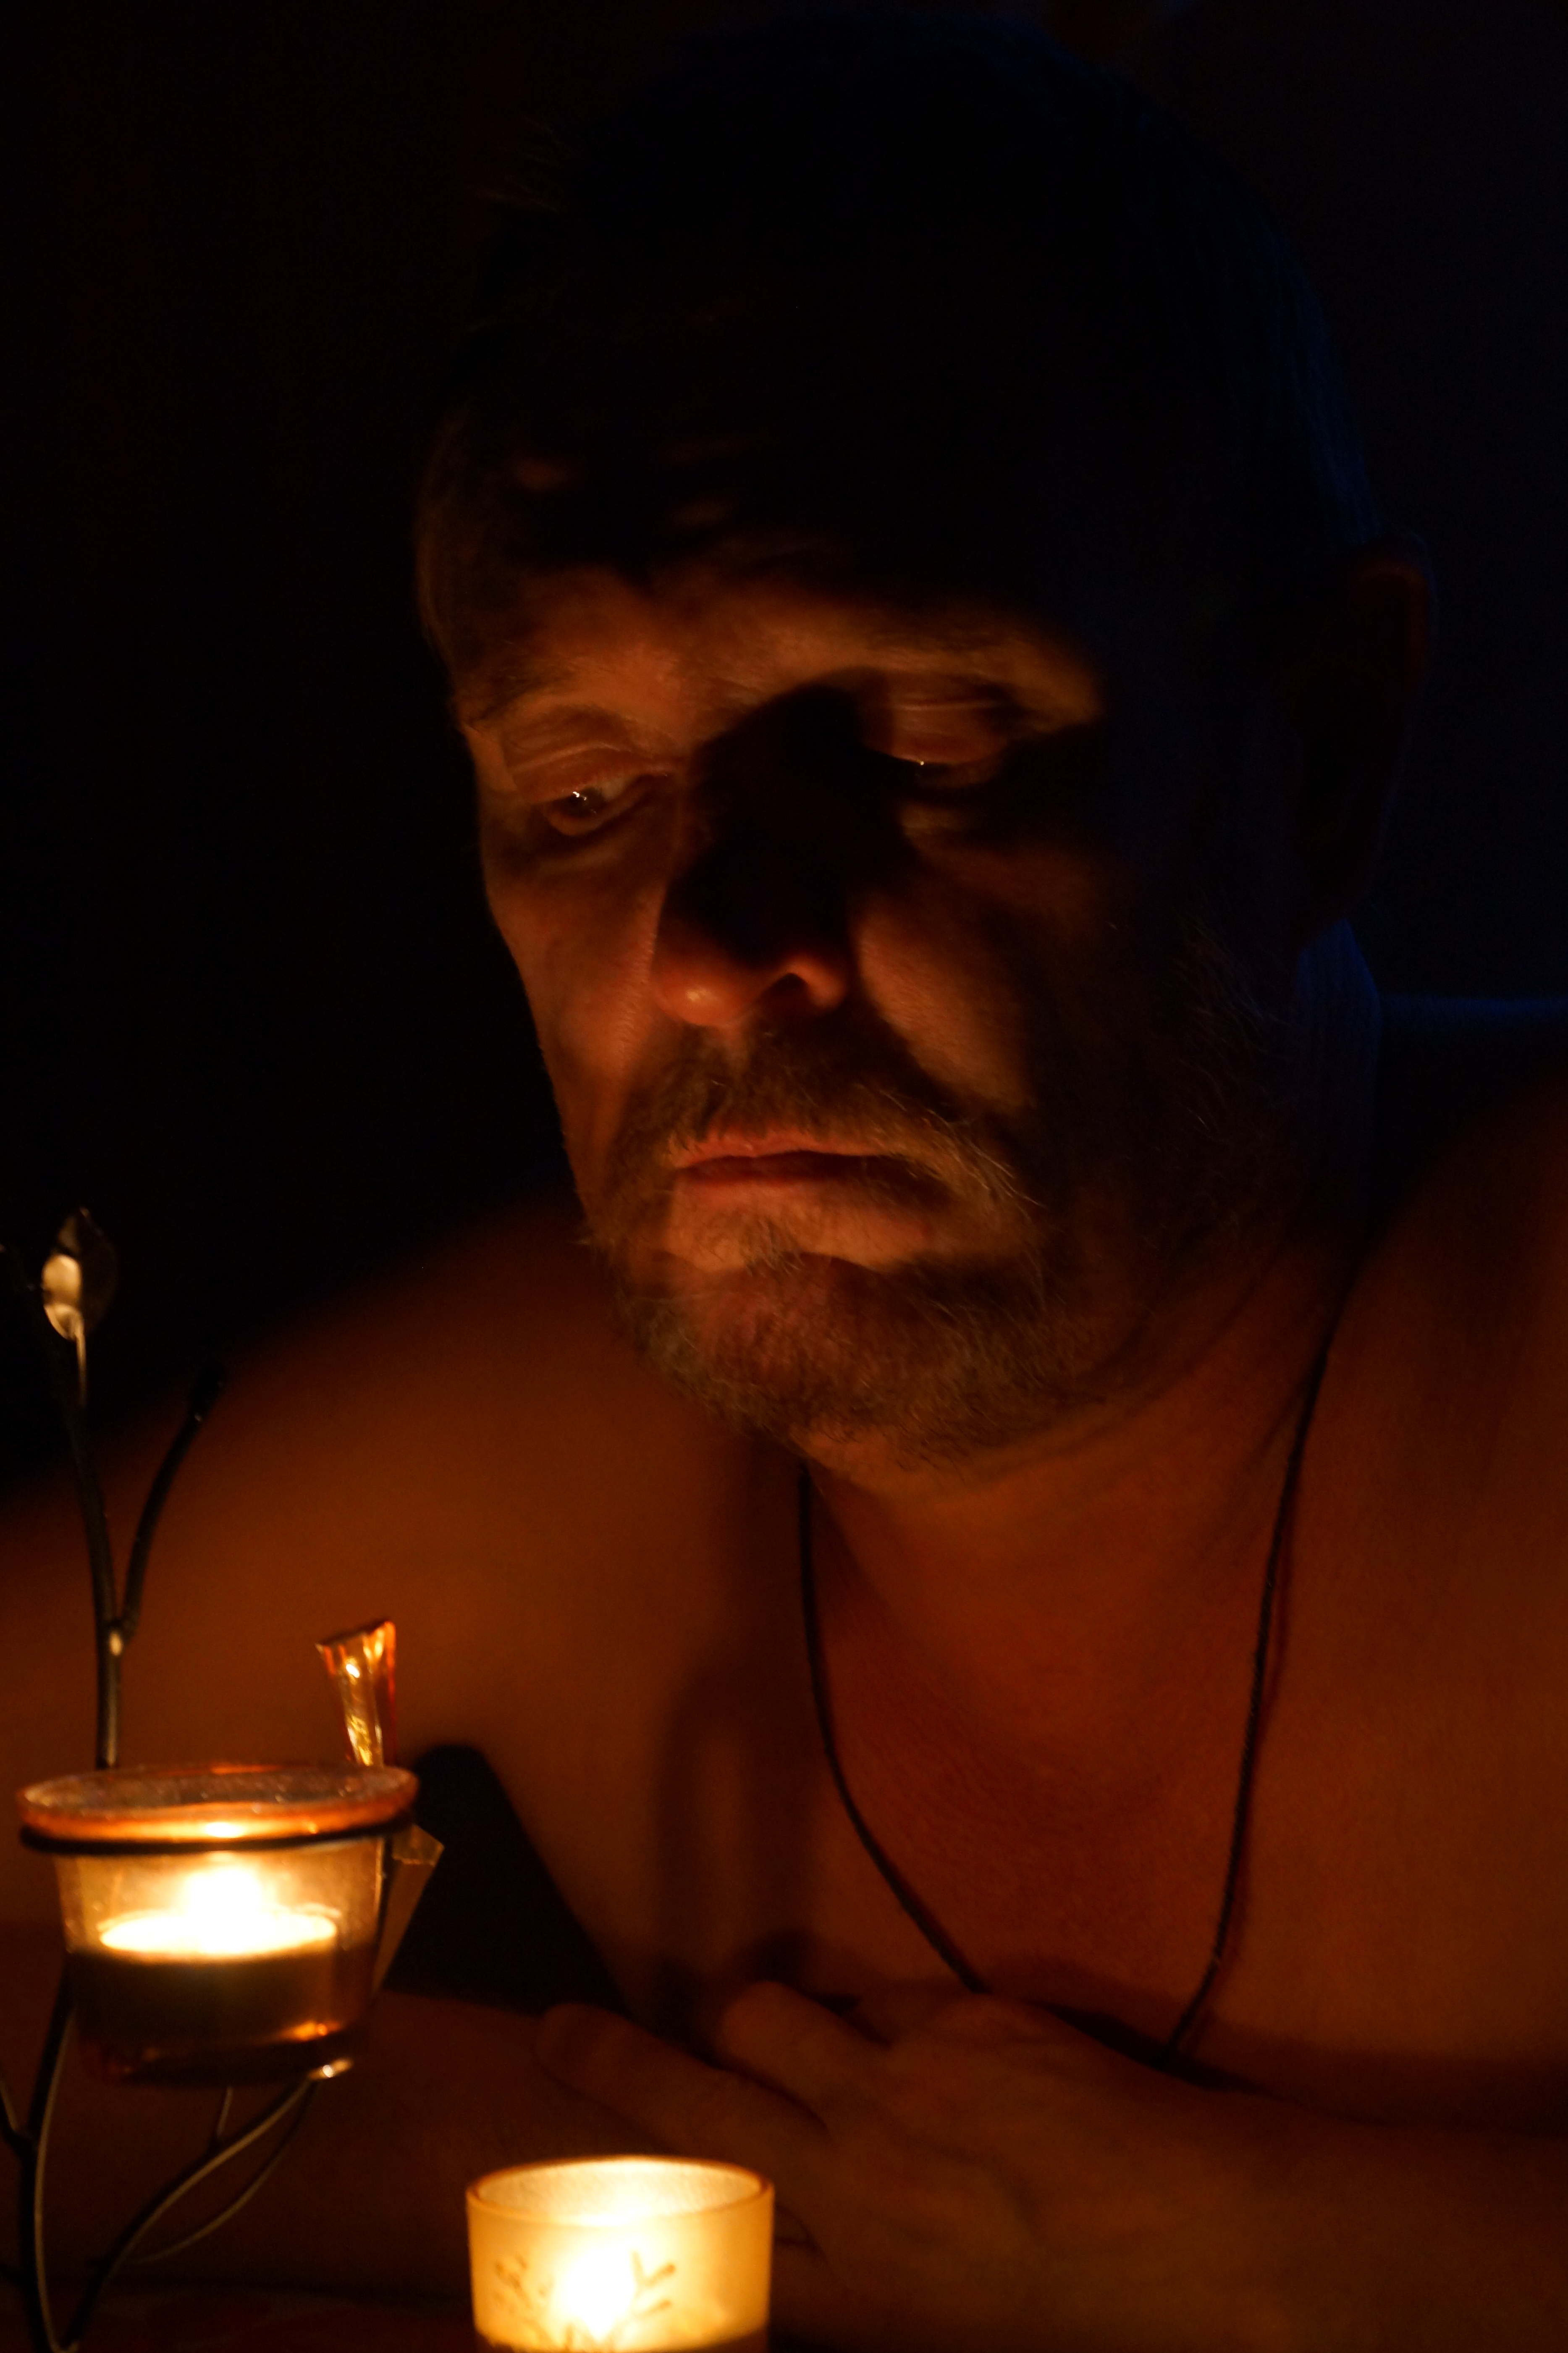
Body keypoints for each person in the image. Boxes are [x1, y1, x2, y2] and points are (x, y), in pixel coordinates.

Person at [4, 12, 1568, 2345]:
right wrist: (709, 2187)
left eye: (918, 746)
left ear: (1318, 753)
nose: (715, 948)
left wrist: (1303, 2251)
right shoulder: (548, 1439)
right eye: (579, 798)